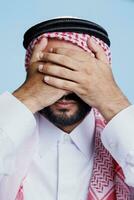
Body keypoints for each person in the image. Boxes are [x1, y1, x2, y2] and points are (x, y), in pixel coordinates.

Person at [0, 17, 134, 200]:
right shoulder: (9, 138)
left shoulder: (125, 142)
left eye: (79, 73)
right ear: (31, 72)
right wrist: (26, 97)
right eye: (51, 69)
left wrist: (113, 102)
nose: (64, 88)